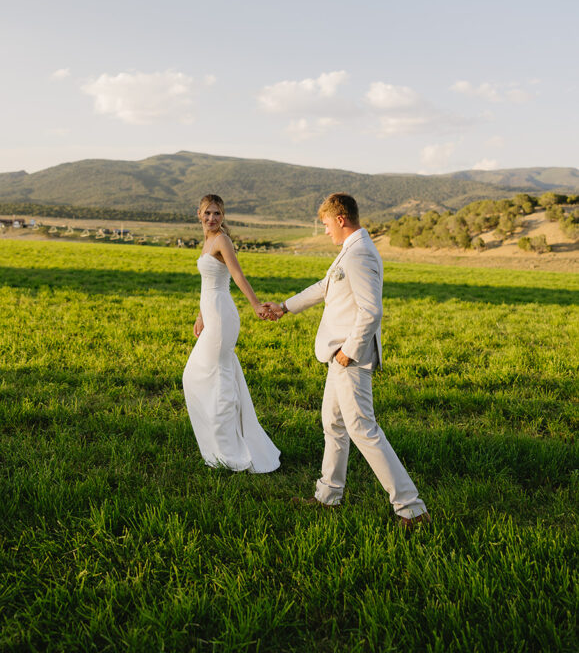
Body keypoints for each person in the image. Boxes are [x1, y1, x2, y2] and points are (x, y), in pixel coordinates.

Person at [264, 193, 430, 529]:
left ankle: (411, 509)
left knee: (363, 429)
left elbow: (372, 310)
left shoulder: (361, 254)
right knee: (334, 425)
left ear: (340, 218)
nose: (325, 230)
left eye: (326, 223)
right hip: (338, 357)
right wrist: (284, 307)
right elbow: (325, 286)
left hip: (348, 358)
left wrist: (349, 350)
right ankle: (328, 496)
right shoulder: (351, 250)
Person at [182, 194, 280, 473]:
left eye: (217, 214)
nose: (212, 218)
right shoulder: (207, 241)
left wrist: (256, 306)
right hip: (212, 316)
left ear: (223, 217)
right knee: (199, 377)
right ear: (198, 214)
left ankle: (230, 452)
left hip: (224, 318)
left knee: (218, 379)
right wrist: (201, 315)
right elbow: (209, 283)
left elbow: (236, 275)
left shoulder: (222, 240)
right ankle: (222, 444)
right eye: (207, 213)